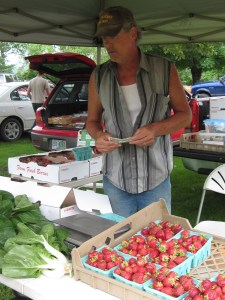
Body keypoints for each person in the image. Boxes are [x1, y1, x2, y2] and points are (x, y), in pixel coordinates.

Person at [86, 6, 192, 218]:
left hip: (155, 178)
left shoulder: (163, 69)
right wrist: (99, 136)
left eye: (113, 35)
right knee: (118, 241)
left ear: (133, 32)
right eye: (104, 37)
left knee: (158, 245)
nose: (107, 43)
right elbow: (91, 121)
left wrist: (155, 129)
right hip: (116, 179)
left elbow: (185, 115)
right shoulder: (98, 76)